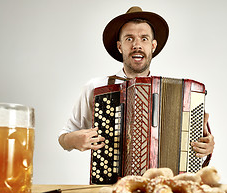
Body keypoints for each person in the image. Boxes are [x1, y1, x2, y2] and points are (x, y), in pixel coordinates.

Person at [58, 6, 214, 163]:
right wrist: (74, 140)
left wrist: (205, 147)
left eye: (144, 38)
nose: (137, 45)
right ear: (120, 46)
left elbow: (198, 148)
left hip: (162, 184)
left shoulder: (180, 94)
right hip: (114, 184)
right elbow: (64, 136)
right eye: (129, 39)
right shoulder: (97, 87)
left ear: (153, 46)